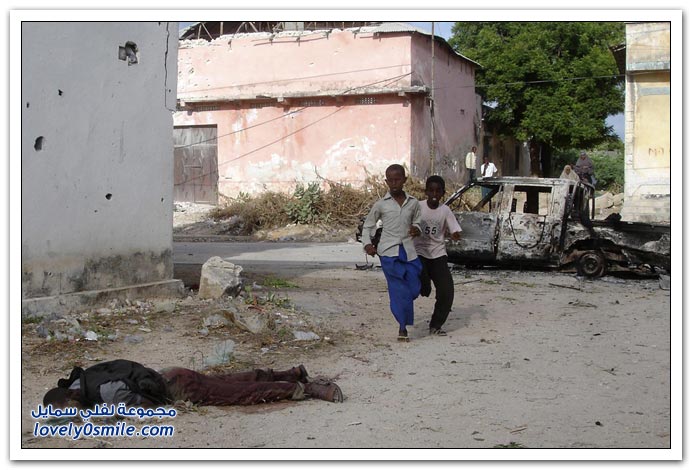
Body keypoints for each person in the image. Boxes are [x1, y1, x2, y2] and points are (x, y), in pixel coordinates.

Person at [42, 359, 343, 409]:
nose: (72, 413)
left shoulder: (104, 393)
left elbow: (145, 405)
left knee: (240, 394)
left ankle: (307, 389)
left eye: (68, 408)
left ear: (71, 395)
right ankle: (291, 372)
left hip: (179, 389)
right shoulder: (86, 377)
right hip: (169, 373)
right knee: (230, 381)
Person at [362, 164, 423, 342]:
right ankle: (402, 327)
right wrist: (367, 244)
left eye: (398, 179)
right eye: (391, 180)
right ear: (386, 181)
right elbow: (368, 226)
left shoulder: (413, 203)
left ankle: (404, 311)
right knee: (397, 288)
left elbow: (418, 222)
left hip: (409, 251)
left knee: (413, 288)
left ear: (404, 180)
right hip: (388, 252)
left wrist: (417, 229)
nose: (394, 183)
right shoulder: (381, 205)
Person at [414, 176, 463, 336]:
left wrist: (455, 234)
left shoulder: (445, 210)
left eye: (438, 191)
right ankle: (424, 286)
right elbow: (407, 223)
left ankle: (436, 325)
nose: (434, 194)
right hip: (419, 253)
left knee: (446, 291)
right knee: (424, 287)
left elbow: (455, 229)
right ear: (426, 192)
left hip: (438, 254)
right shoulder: (418, 207)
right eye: (431, 190)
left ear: (443, 193)